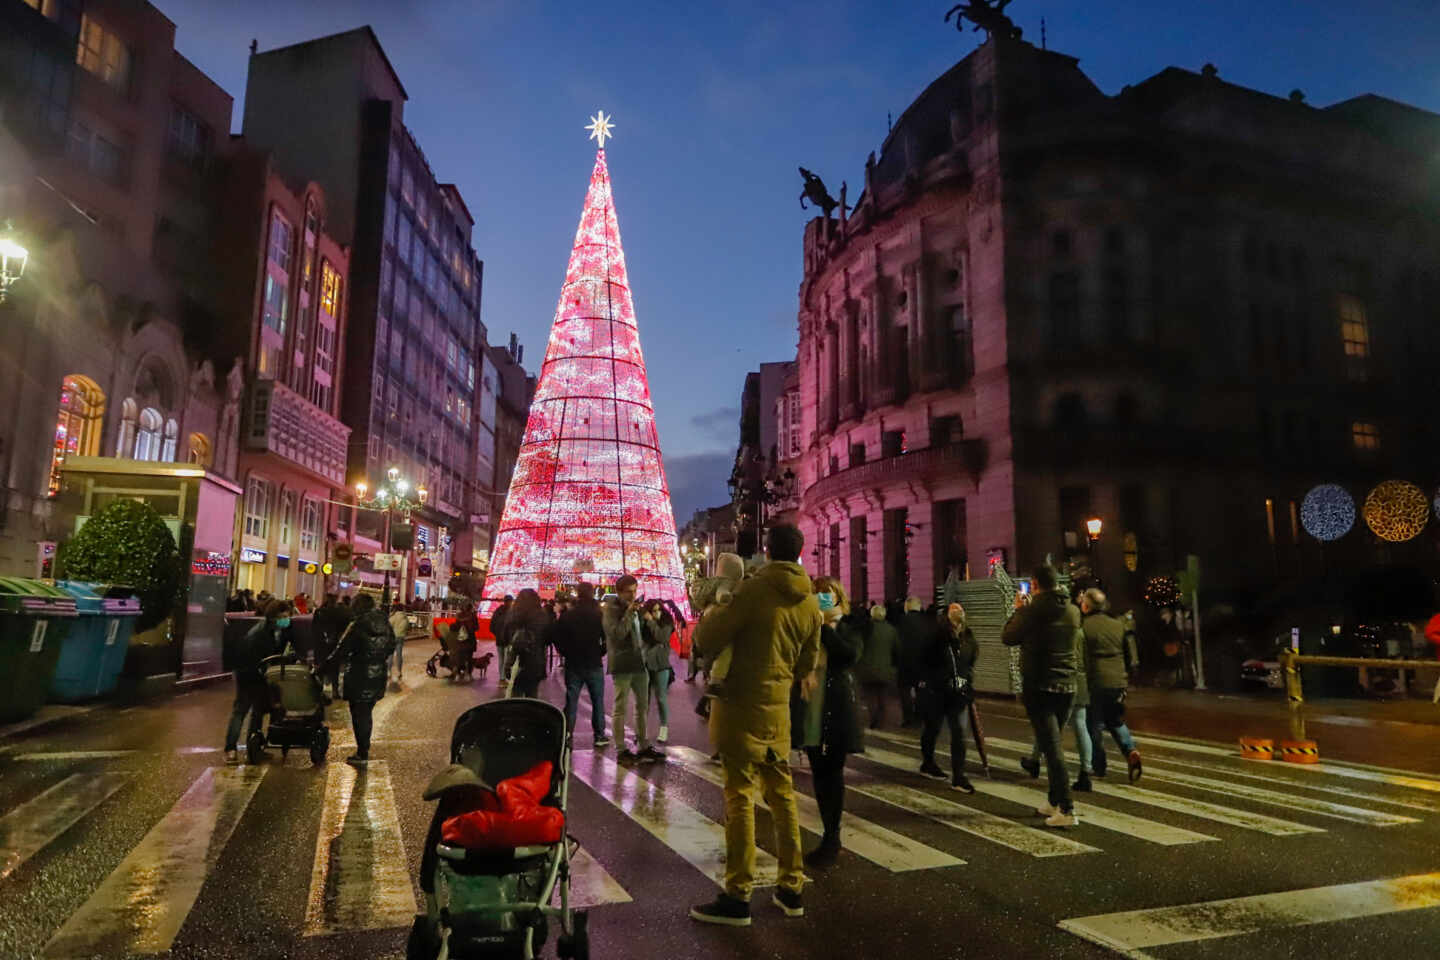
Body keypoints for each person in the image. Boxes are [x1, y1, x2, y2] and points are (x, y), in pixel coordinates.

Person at [689, 524, 820, 927]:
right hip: (777, 708)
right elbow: (806, 664)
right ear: (798, 554)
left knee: (740, 796)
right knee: (782, 795)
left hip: (739, 703)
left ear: (766, 550)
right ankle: (791, 887)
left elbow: (706, 639)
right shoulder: (810, 601)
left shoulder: (753, 590)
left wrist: (714, 609)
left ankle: (738, 893)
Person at [1002, 564, 1081, 828]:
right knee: (1052, 743)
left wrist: (1019, 610)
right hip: (1067, 685)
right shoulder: (1072, 610)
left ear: (1034, 585)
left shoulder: (1032, 611)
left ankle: (1067, 809)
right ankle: (1053, 799)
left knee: (1052, 747)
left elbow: (1009, 636)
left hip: (1040, 686)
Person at [793, 576, 863, 870]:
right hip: (811, 711)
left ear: (839, 597)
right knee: (820, 777)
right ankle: (829, 835)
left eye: (828, 594)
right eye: (818, 594)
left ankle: (832, 838)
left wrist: (823, 625)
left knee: (832, 776)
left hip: (835, 711)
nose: (822, 598)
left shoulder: (848, 626)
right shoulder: (807, 627)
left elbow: (849, 655)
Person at [1022, 596, 1093, 793]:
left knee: (1048, 726)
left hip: (1060, 679)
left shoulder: (1055, 630)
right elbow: (1087, 660)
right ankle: (1086, 770)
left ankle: (1036, 761)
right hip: (1080, 679)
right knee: (1080, 726)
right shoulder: (1079, 632)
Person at [321, 593, 395, 766]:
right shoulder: (384, 623)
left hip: (359, 673)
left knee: (359, 714)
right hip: (377, 674)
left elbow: (342, 649)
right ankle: (363, 749)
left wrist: (324, 667)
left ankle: (362, 752)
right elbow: (391, 645)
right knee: (366, 713)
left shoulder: (358, 624)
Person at [1082, 588, 1143, 783]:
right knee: (1115, 719)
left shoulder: (1084, 627)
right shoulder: (1117, 625)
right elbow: (1128, 653)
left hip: (1096, 681)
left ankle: (1099, 766)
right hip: (1117, 680)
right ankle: (1130, 750)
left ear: (1087, 605)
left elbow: (1082, 657)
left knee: (1093, 724)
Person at [918, 602, 979, 793]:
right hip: (937, 692)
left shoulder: (968, 636)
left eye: (961, 608)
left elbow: (970, 661)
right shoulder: (938, 636)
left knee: (959, 734)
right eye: (954, 609)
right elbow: (925, 660)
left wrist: (967, 680)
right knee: (932, 728)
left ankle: (959, 776)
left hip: (959, 694)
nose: (958, 611)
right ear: (946, 615)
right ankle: (928, 762)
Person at [603, 576, 662, 762]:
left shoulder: (637, 608)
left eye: (635, 590)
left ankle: (643, 744)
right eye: (629, 591)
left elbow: (647, 634)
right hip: (622, 664)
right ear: (619, 592)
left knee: (642, 706)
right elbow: (617, 634)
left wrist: (650, 620)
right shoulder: (612, 609)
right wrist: (629, 612)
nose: (633, 595)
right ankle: (621, 749)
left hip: (639, 662)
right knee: (620, 707)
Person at [223, 599, 289, 762]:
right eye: (283, 616)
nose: (286, 619)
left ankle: (255, 747)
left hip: (260, 675)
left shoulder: (276, 631)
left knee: (258, 713)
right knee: (241, 711)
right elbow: (254, 658)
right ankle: (230, 749)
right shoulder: (260, 634)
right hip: (248, 674)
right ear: (273, 617)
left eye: (287, 616)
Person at [552, 581, 610, 745]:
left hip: (573, 663)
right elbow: (606, 637)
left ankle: (567, 734)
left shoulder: (569, 615)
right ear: (592, 593)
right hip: (593, 661)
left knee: (571, 700)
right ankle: (599, 735)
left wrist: (565, 652)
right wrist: (601, 651)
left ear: (578, 594)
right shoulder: (598, 614)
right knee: (597, 700)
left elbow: (558, 637)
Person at [856, 603, 899, 729]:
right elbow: (896, 649)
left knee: (870, 696)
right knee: (883, 696)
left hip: (867, 669)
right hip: (885, 669)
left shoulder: (865, 629)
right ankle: (881, 720)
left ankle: (873, 718)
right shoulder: (891, 629)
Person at [502, 589, 551, 699]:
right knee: (533, 693)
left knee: (515, 693)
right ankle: (530, 714)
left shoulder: (514, 615)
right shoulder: (542, 615)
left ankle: (517, 715)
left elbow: (505, 637)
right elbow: (548, 638)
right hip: (537, 660)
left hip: (518, 660)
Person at [642, 599, 676, 743]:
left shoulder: (667, 623)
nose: (656, 613)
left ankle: (664, 728)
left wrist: (651, 622)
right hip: (645, 665)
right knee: (644, 700)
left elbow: (662, 637)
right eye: (653, 611)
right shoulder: (643, 624)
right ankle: (641, 731)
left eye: (658, 610)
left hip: (661, 665)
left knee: (661, 698)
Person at [897, 597, 931, 728]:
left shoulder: (900, 621)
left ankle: (908, 718)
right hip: (922, 663)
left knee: (904, 691)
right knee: (921, 691)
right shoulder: (926, 621)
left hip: (904, 662)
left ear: (907, 607)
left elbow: (896, 642)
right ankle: (919, 717)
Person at [313, 593, 349, 698]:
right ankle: (334, 691)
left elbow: (315, 629)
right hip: (334, 644)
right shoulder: (340, 613)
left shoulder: (320, 612)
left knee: (320, 666)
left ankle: (318, 691)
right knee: (334, 668)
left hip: (321, 644)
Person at [387, 601, 410, 685]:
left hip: (393, 637)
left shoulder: (394, 616)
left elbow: (389, 624)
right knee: (399, 655)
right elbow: (407, 626)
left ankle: (389, 671)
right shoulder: (405, 617)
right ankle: (399, 672)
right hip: (401, 637)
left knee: (390, 655)